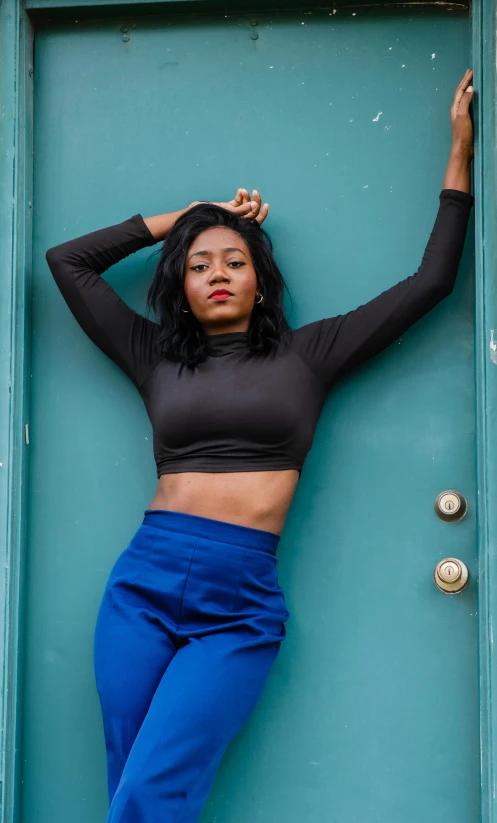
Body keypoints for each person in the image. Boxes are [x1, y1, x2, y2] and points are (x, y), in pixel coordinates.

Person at [45, 69, 475, 823]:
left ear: (260, 281)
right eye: (200, 264)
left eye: (233, 261)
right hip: (141, 582)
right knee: (128, 776)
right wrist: (195, 217)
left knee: (153, 790)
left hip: (237, 600)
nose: (216, 274)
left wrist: (458, 157)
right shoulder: (153, 357)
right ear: (179, 284)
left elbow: (431, 282)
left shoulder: (309, 355)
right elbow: (67, 262)